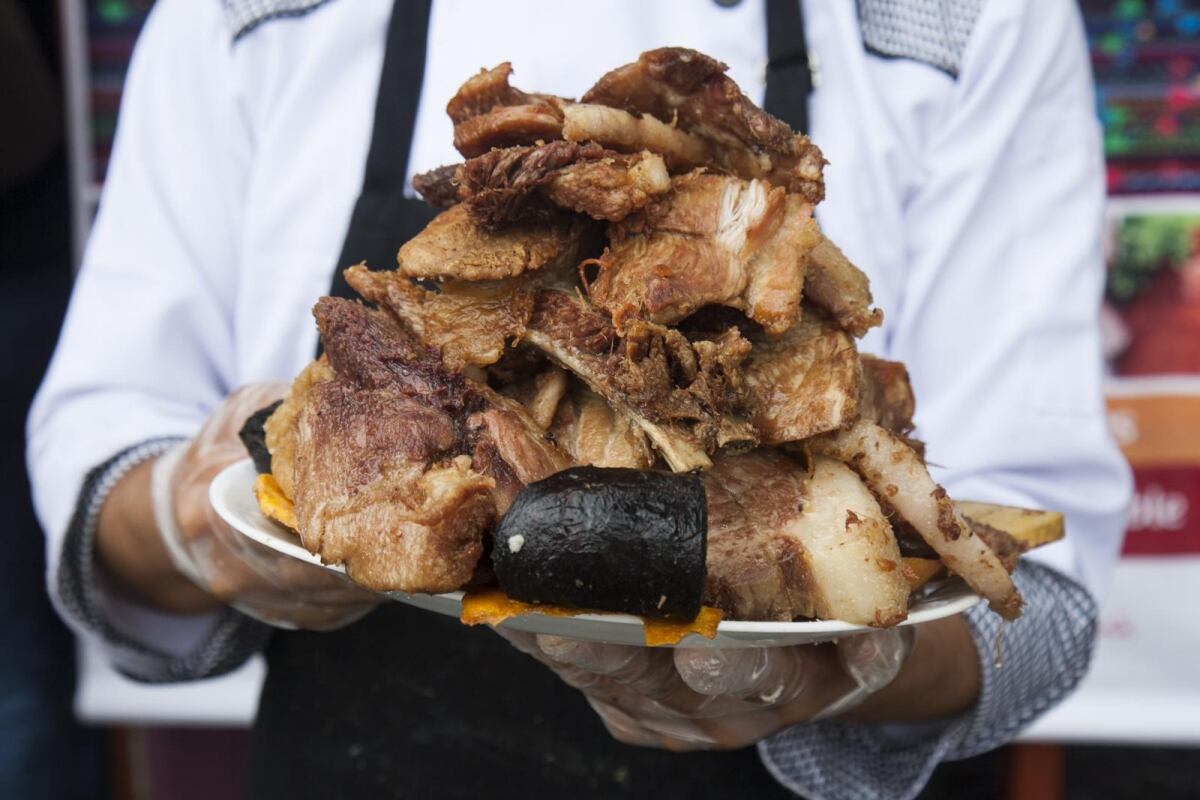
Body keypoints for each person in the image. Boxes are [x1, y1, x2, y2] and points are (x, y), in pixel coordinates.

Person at [27, 1, 1131, 798]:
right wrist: (196, 517)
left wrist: (841, 675)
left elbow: (1044, 603)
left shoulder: (958, 19)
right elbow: (103, 444)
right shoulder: (251, 13)